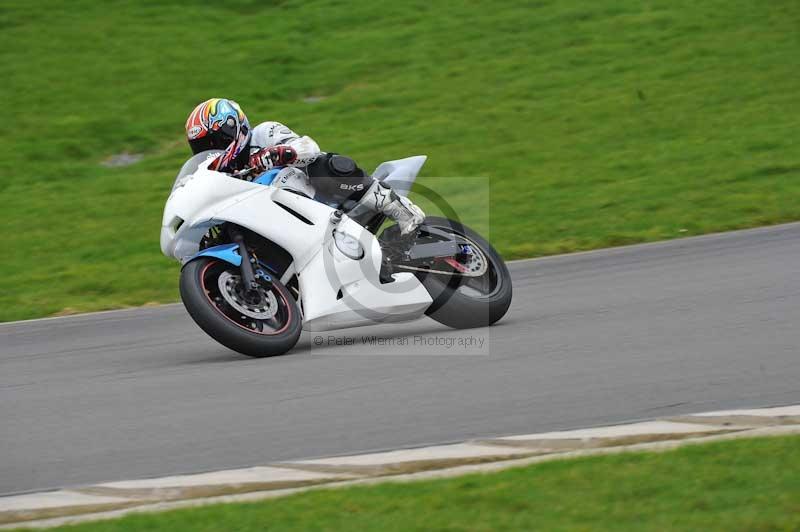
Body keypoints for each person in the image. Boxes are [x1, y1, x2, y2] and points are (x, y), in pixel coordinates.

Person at [184, 98, 425, 235]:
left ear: (233, 127)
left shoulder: (263, 133)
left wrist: (276, 153)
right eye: (203, 146)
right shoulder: (218, 175)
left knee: (321, 164)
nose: (212, 150)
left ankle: (398, 207)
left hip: (322, 202)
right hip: (279, 226)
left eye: (215, 141)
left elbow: (308, 148)